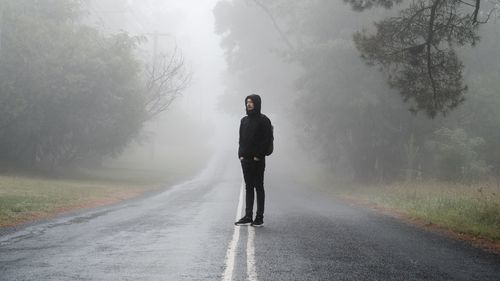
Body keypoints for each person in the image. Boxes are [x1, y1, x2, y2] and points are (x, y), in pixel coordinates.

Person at [234, 94, 273, 227]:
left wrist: (258, 155)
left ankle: (259, 217)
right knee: (248, 187)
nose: (249, 104)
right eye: (247, 102)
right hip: (245, 159)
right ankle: (248, 216)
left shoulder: (264, 120)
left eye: (251, 102)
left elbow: (266, 140)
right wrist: (241, 154)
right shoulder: (243, 120)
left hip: (257, 160)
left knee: (259, 187)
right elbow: (241, 139)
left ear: (257, 103)